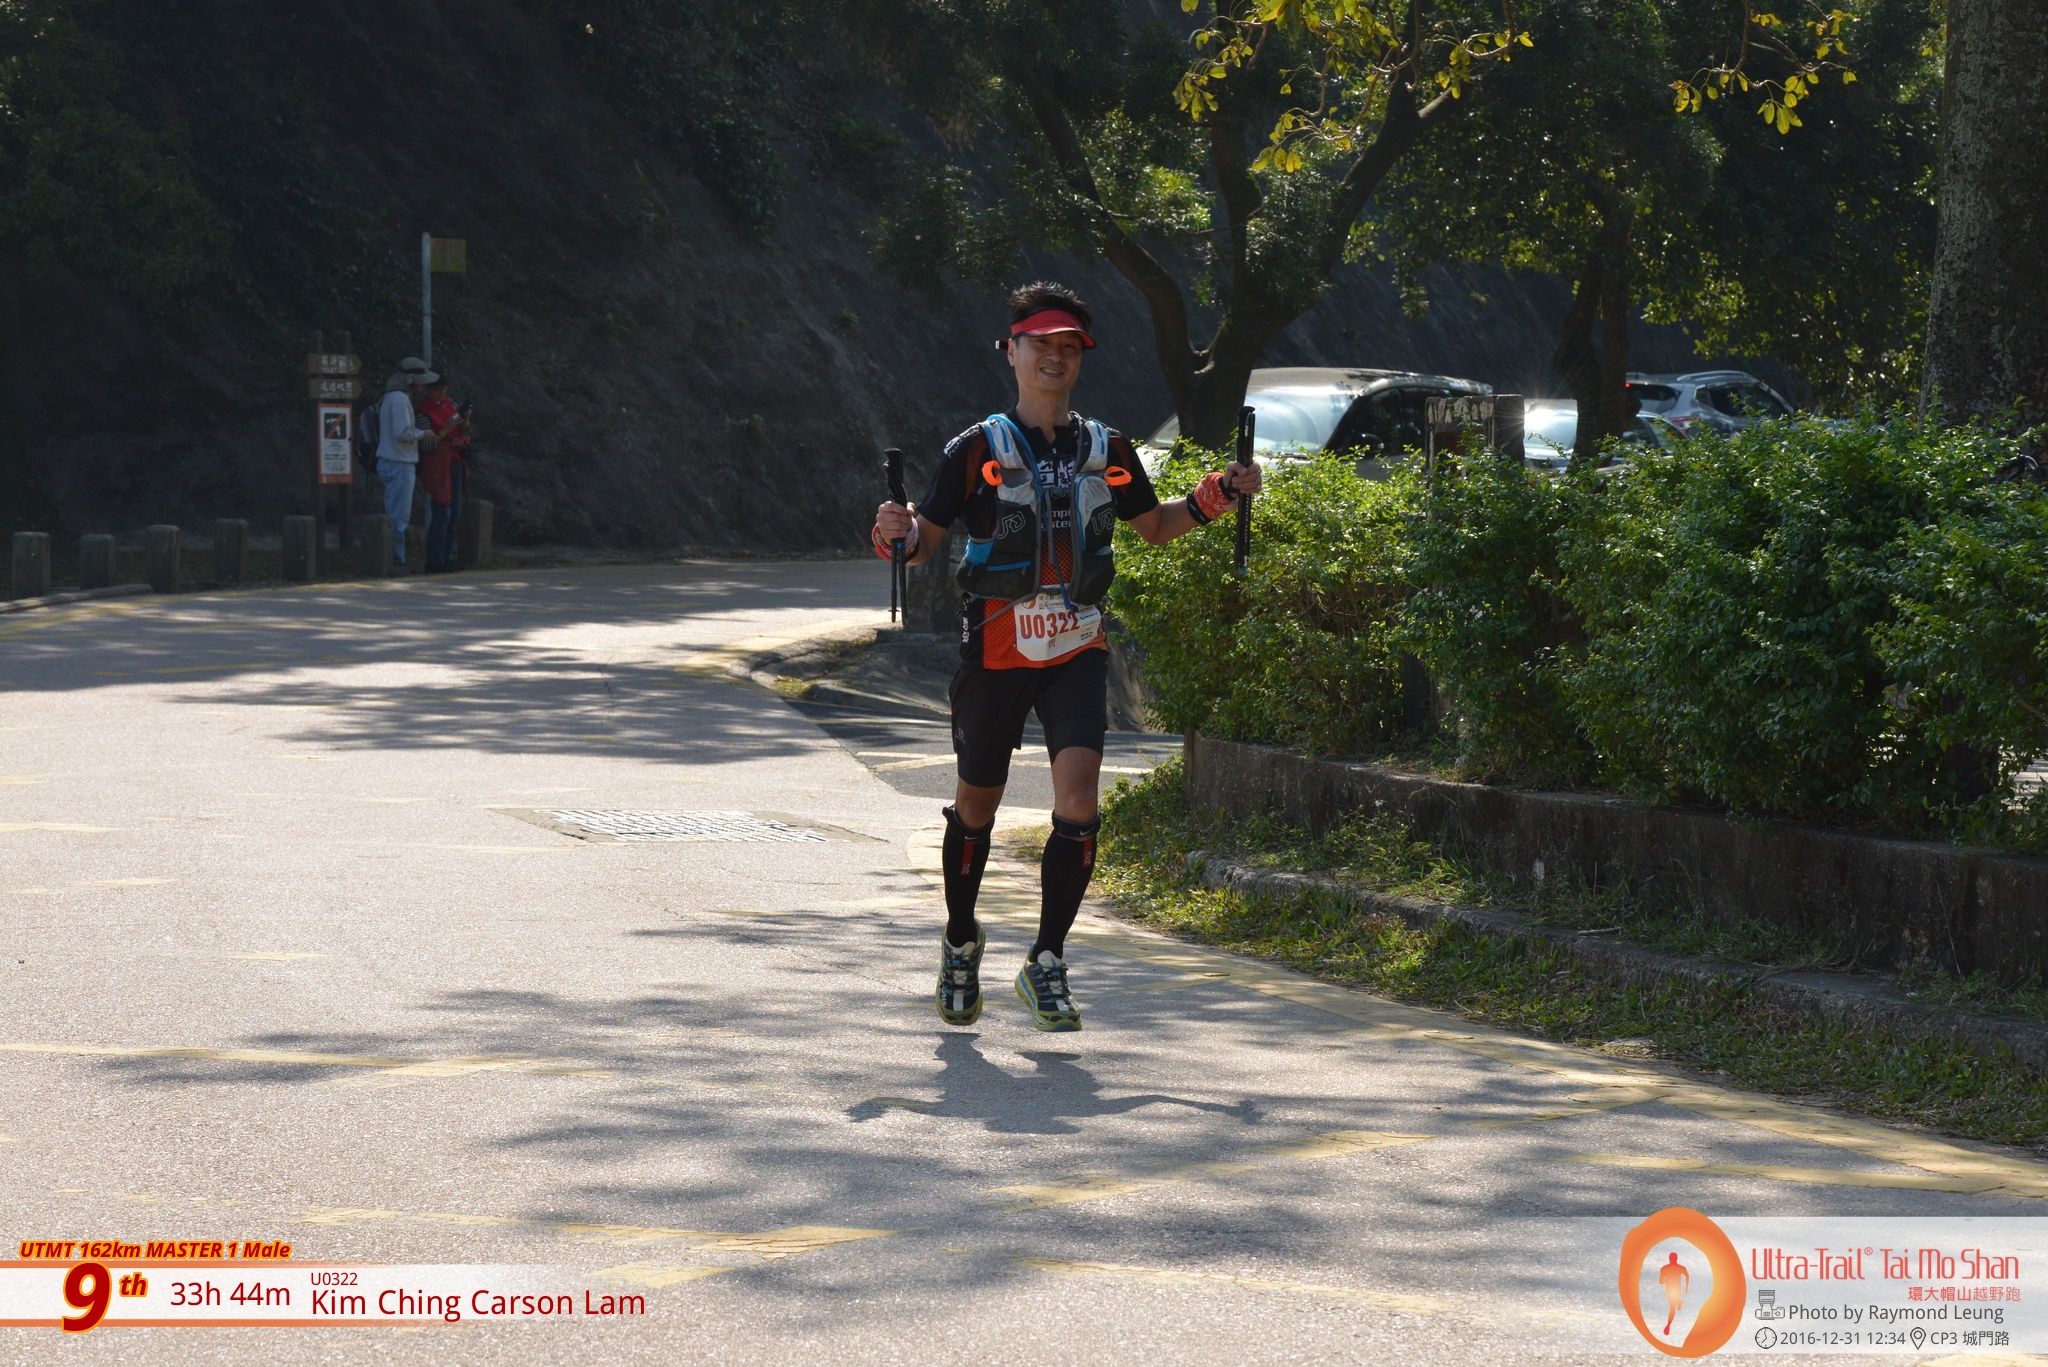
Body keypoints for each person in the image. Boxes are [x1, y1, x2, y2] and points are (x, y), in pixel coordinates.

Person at [873, 281, 1261, 1032]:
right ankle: (961, 941)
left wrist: (1217, 493)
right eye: (1041, 344)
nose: (1055, 357)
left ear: (1080, 357)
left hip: (1077, 646)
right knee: (977, 808)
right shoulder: (975, 449)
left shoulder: (1107, 448)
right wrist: (894, 531)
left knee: (1079, 804)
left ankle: (1047, 959)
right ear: (1011, 352)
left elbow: (1154, 525)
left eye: (1069, 346)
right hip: (995, 649)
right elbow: (920, 544)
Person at [376, 362, 439, 570]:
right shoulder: (400, 400)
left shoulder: (391, 397)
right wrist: (423, 434)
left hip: (391, 460)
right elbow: (402, 432)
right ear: (411, 381)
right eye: (420, 383)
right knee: (399, 517)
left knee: (394, 513)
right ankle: (397, 562)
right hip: (400, 462)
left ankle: (393, 559)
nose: (422, 388)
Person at [415, 374, 471, 573]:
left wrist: (465, 419)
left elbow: (462, 429)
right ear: (427, 390)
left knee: (454, 512)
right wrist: (446, 430)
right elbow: (426, 445)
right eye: (437, 390)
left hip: (454, 458)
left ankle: (446, 556)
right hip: (437, 462)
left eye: (444, 390)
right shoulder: (422, 412)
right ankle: (435, 558)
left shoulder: (450, 403)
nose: (442, 394)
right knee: (442, 510)